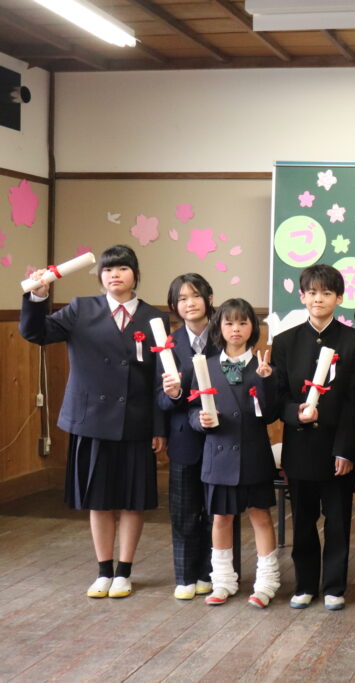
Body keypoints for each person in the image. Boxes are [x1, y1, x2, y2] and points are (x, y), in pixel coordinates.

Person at [21, 244, 166, 599]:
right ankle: (103, 572)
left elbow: (161, 377)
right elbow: (36, 333)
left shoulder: (154, 318)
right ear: (100, 276)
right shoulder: (80, 309)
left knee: (132, 500)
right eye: (108, 269)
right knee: (98, 500)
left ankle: (124, 572)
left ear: (136, 275)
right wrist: (38, 297)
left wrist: (159, 427)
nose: (115, 274)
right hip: (93, 421)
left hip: (136, 422)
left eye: (123, 268)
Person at [272, 264, 355, 612]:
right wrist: (294, 411)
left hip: (337, 447)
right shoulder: (285, 342)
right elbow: (279, 395)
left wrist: (346, 449)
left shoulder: (354, 342)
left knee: (338, 520)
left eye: (326, 293)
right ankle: (305, 584)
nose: (318, 299)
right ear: (302, 296)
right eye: (312, 292)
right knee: (303, 519)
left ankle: (335, 586)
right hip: (300, 446)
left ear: (339, 298)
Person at [190, 298, 279, 608]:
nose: (236, 329)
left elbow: (270, 414)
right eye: (229, 323)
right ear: (220, 327)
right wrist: (199, 420)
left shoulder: (263, 366)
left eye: (243, 322)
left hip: (254, 455)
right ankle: (223, 582)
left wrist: (266, 381)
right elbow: (192, 409)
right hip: (218, 457)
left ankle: (267, 582)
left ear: (253, 328)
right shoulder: (205, 365)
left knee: (261, 517)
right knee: (221, 519)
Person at [158, 273, 218, 600]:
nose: (189, 303)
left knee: (217, 512)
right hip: (183, 439)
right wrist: (173, 394)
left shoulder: (225, 336)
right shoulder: (168, 344)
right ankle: (185, 576)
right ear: (174, 306)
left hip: (220, 437)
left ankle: (213, 573)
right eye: (181, 299)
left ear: (209, 299)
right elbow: (159, 397)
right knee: (183, 512)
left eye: (195, 296)